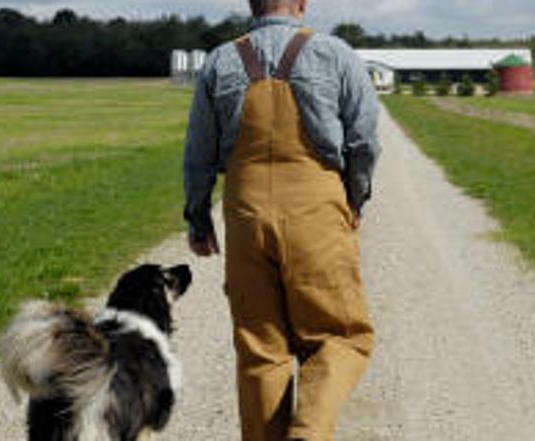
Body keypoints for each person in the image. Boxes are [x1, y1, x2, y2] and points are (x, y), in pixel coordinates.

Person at [182, 0, 381, 439]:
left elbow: (198, 152)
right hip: (316, 208)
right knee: (340, 336)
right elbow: (364, 140)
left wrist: (198, 217)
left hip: (246, 212)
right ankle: (308, 433)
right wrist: (355, 198)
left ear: (252, 4)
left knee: (261, 351)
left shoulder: (221, 60)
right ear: (303, 4)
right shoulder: (336, 54)